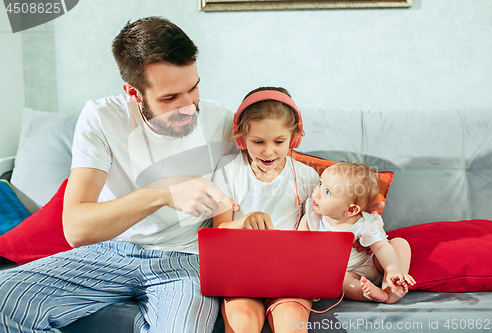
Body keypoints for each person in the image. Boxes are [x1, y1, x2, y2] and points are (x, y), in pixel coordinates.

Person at [0, 17, 239, 333]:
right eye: (170, 98)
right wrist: (162, 191)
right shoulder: (100, 117)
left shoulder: (222, 121)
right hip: (107, 253)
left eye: (193, 88)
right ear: (133, 92)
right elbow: (76, 229)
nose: (189, 107)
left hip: (185, 261)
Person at [211, 87, 320, 333]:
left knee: (291, 320)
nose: (268, 151)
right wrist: (244, 221)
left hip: (290, 275)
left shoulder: (307, 177)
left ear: (294, 139)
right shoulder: (228, 171)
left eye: (279, 142)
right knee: (242, 321)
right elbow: (218, 231)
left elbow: (318, 232)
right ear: (241, 140)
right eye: (258, 142)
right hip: (240, 273)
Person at [298, 162, 415, 304]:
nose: (317, 193)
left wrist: (391, 268)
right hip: (345, 272)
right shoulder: (312, 217)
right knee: (340, 283)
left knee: (400, 244)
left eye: (327, 192)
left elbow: (381, 247)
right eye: (320, 184)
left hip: (371, 262)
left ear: (351, 210)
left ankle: (391, 287)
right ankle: (372, 294)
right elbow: (299, 247)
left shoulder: (364, 223)